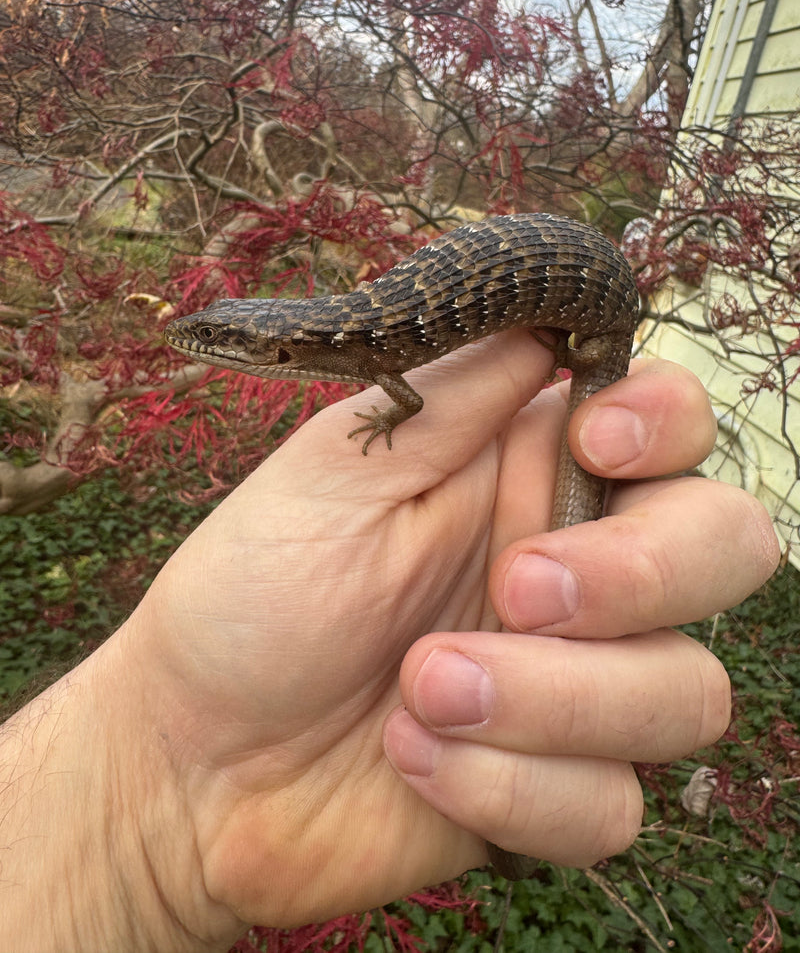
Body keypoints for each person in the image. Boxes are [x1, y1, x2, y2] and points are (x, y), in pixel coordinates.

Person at [1, 330, 779, 952]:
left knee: (592, 478)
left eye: (221, 341)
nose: (199, 345)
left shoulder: (374, 351)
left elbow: (405, 396)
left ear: (274, 348)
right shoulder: (365, 343)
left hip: (589, 323)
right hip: (574, 337)